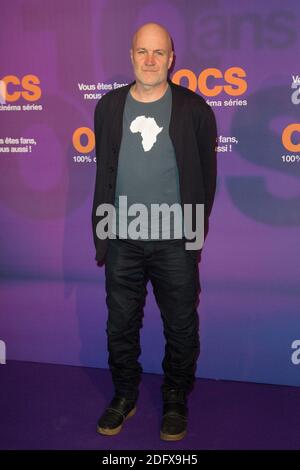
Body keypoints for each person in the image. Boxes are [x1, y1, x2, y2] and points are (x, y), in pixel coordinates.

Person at [92, 22, 217, 441]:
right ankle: (124, 395)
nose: (149, 60)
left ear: (171, 59)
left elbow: (205, 179)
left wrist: (193, 237)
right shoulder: (109, 107)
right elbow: (105, 171)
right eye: (142, 52)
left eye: (158, 53)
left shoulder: (195, 110)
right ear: (131, 56)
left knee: (181, 325)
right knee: (119, 325)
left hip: (175, 242)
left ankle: (176, 396)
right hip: (122, 238)